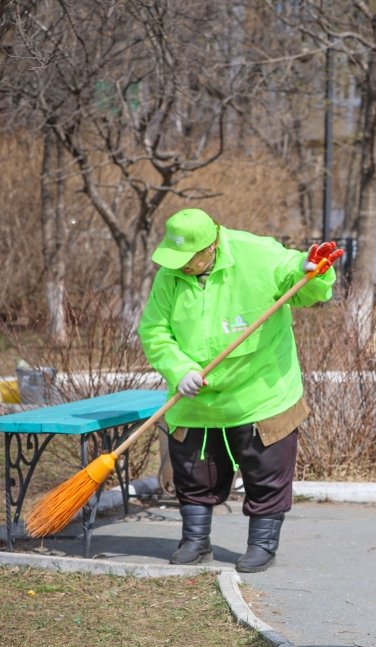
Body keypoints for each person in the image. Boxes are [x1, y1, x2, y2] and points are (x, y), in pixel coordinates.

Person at [138, 208, 340, 573]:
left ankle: (262, 544)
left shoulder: (257, 254)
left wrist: (312, 271)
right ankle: (195, 541)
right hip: (197, 399)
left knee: (267, 469)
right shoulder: (169, 278)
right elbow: (154, 331)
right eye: (176, 258)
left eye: (188, 259)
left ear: (211, 245)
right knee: (193, 470)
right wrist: (179, 368)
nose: (180, 266)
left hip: (260, 392)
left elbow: (300, 279)